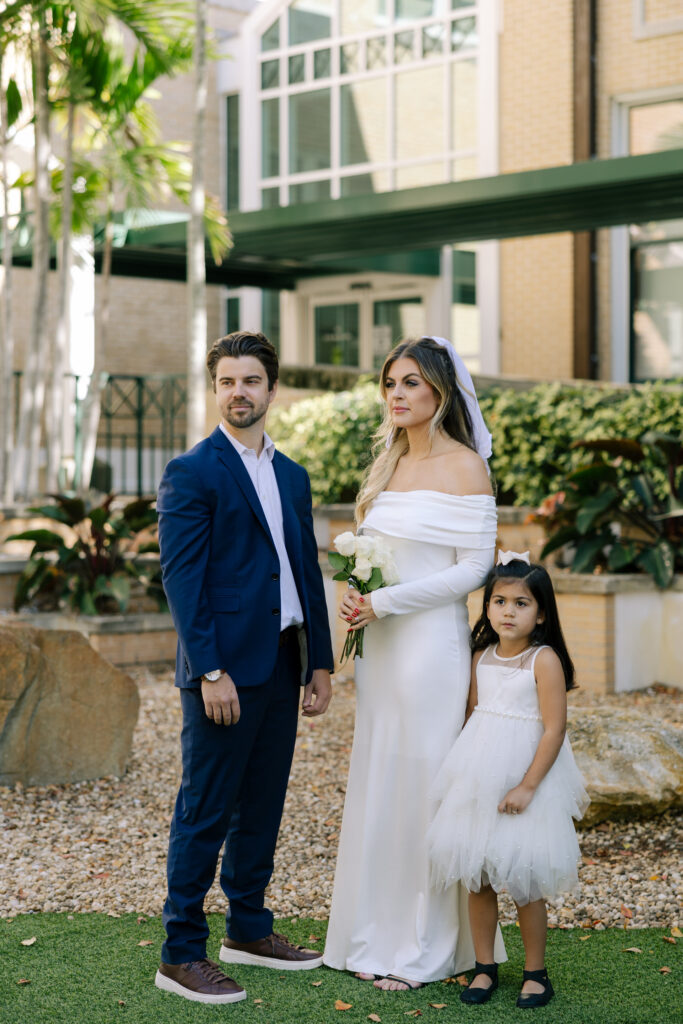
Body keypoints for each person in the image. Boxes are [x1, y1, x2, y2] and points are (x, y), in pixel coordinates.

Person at [154, 331, 334, 1005]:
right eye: (227, 381)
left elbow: (303, 572)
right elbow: (182, 580)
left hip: (282, 662)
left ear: (270, 389)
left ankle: (249, 930)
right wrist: (208, 670)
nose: (239, 392)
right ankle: (179, 954)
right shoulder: (193, 471)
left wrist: (319, 661)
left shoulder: (292, 475)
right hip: (222, 671)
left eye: (250, 381)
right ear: (215, 390)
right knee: (204, 809)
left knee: (262, 804)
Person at [323, 336, 506, 990]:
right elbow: (370, 552)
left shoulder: (466, 467)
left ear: (439, 393)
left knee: (427, 787)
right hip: (380, 653)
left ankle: (429, 945)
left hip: (429, 648)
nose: (396, 395)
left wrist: (389, 601)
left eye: (409, 384)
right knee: (380, 780)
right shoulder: (387, 467)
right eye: (389, 384)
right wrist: (355, 590)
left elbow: (474, 569)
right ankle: (371, 932)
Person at [428, 554, 589, 1008]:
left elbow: (555, 728)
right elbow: (470, 716)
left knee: (524, 878)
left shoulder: (544, 660)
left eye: (521, 603)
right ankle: (484, 968)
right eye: (499, 601)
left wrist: (527, 785)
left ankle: (536, 973)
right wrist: (459, 777)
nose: (508, 611)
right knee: (477, 876)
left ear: (541, 613)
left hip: (523, 777)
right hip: (479, 775)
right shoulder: (480, 657)